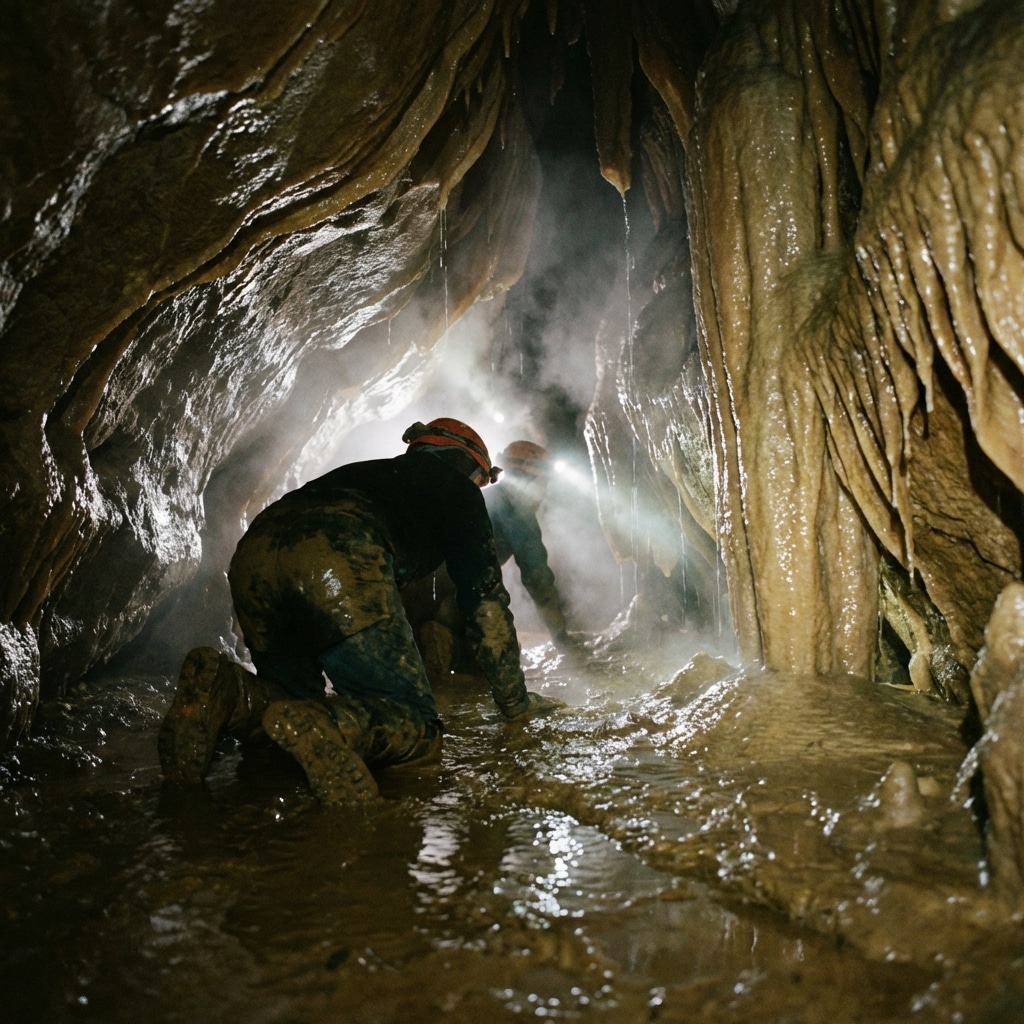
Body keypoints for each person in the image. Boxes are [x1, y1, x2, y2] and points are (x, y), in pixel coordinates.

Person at [158, 417, 561, 803]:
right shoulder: (461, 491)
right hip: (337, 550)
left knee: (288, 701)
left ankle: (228, 689)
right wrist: (515, 703)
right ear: (473, 468)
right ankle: (330, 725)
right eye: (481, 478)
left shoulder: (365, 472)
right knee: (417, 726)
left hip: (254, 552)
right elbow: (486, 604)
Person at [404, 440, 582, 684]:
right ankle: (443, 640)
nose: (545, 491)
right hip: (451, 596)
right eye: (544, 483)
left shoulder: (480, 497)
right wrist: (563, 639)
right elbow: (537, 576)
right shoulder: (517, 511)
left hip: (413, 594)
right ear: (531, 480)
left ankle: (434, 646)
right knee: (501, 657)